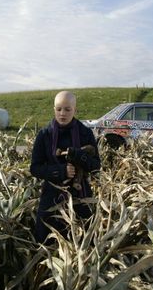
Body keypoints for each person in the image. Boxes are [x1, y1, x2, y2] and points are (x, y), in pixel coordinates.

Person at [30, 91, 101, 243]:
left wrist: (79, 156)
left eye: (67, 109)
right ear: (54, 109)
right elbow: (35, 168)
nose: (62, 113)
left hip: (81, 196)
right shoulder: (44, 134)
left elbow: (96, 166)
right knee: (44, 240)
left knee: (84, 241)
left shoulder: (85, 133)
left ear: (75, 110)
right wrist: (61, 171)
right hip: (51, 196)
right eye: (58, 109)